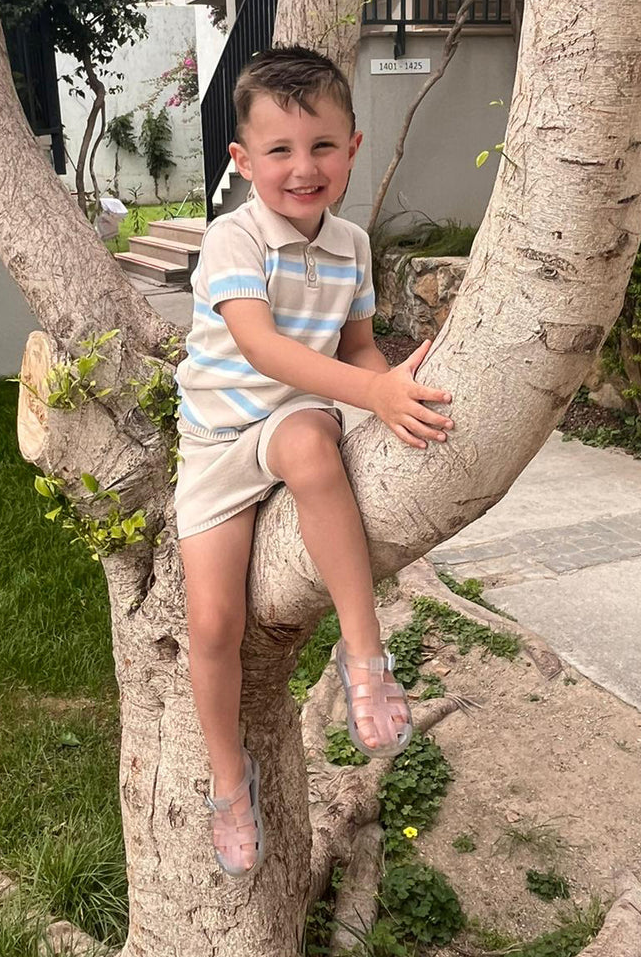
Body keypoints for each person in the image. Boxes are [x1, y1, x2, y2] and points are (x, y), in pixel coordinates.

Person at [174, 46, 454, 877]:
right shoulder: (232, 237)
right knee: (213, 625)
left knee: (308, 439)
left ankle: (365, 659)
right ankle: (229, 781)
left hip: (293, 419)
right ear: (242, 160)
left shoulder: (353, 245)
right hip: (220, 443)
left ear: (354, 147)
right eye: (280, 151)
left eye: (323, 146)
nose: (304, 168)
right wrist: (370, 396)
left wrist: (393, 387)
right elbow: (260, 346)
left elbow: (359, 347)